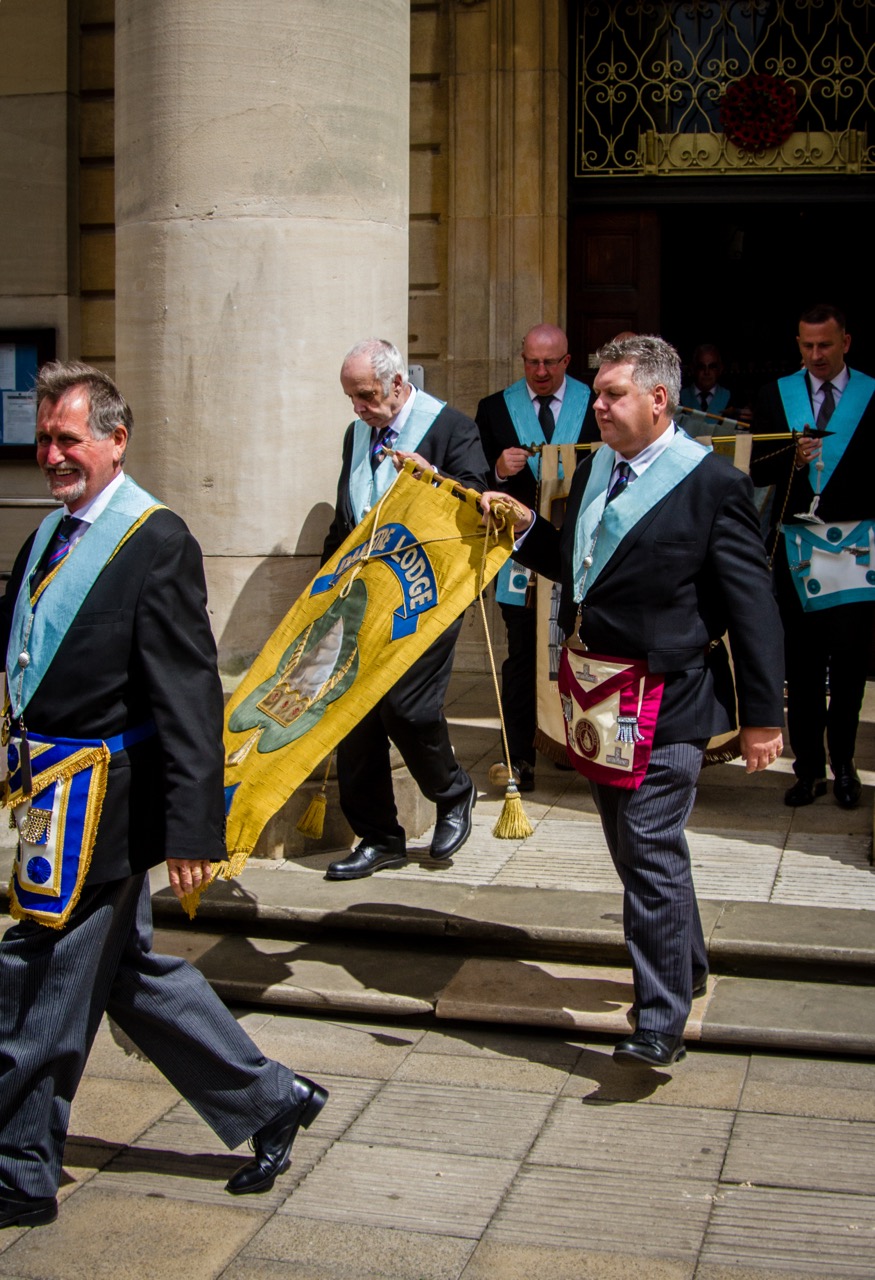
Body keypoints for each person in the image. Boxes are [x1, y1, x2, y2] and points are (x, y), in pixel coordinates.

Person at [0, 362, 327, 1230]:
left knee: (33, 979)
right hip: (49, 800)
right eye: (44, 439)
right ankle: (271, 1100)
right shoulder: (49, 534)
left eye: (69, 439)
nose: (52, 454)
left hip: (104, 810)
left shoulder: (156, 539)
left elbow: (187, 695)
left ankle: (19, 1170)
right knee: (126, 977)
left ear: (116, 440)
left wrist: (192, 828)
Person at [480, 336, 784, 1067]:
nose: (599, 407)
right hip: (599, 698)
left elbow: (752, 606)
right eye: (599, 393)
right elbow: (575, 566)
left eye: (613, 395)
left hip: (670, 697)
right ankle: (687, 962)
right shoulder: (594, 469)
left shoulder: (712, 485)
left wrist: (762, 717)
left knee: (648, 845)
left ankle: (658, 1021)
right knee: (634, 849)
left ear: (658, 398)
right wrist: (524, 527)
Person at [321, 339, 488, 880]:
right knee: (354, 715)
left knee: (407, 707)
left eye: (367, 396)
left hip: (428, 595)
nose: (359, 409)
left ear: (397, 384)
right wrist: (321, 591)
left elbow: (478, 508)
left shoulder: (452, 428)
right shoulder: (357, 435)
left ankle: (453, 791)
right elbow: (347, 517)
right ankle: (379, 837)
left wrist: (433, 481)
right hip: (363, 596)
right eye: (351, 398)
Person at [750, 304, 875, 809]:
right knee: (801, 666)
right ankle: (808, 769)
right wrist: (792, 459)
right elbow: (758, 469)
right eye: (807, 346)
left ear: (846, 342)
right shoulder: (774, 395)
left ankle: (844, 764)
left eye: (825, 345)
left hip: (856, 548)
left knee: (848, 663)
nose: (816, 355)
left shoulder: (872, 393)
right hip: (797, 548)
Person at [475, 324, 598, 791]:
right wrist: (496, 470)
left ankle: (577, 747)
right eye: (532, 362)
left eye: (550, 362)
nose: (540, 372)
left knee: (582, 653)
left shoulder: (596, 405)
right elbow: (472, 480)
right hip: (520, 558)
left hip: (581, 552)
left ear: (567, 361)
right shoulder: (494, 408)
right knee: (522, 657)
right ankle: (518, 758)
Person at [679, 344, 732, 415]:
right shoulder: (678, 399)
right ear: (693, 369)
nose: (706, 372)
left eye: (712, 367)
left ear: (720, 369)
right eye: (701, 367)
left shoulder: (731, 399)